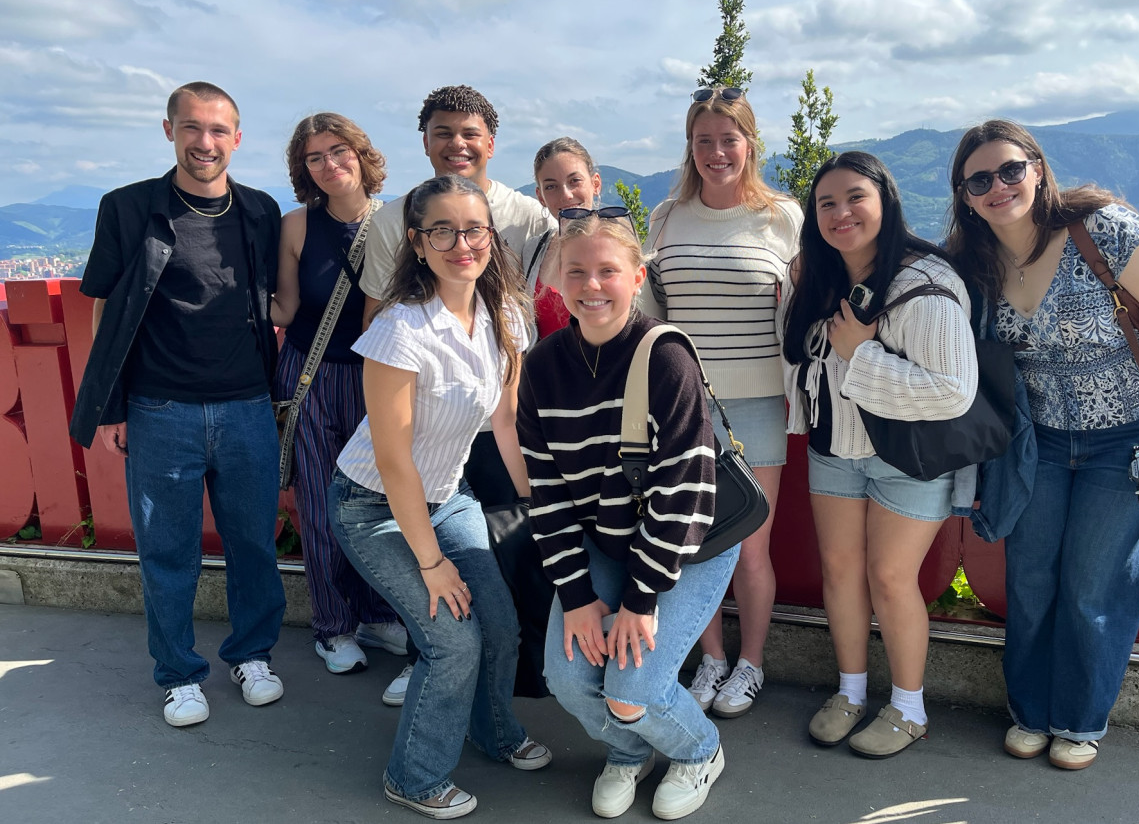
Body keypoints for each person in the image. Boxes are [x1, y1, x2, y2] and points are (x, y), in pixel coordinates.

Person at [945, 119, 1139, 771]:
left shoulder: (1103, 229)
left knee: (1093, 586)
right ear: (965, 196)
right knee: (1031, 580)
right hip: (1042, 445)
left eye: (1010, 169)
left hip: (1130, 439)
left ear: (1037, 166)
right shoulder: (974, 264)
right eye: (981, 180)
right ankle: (1031, 711)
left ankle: (1080, 722)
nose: (999, 187)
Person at [329, 175, 550, 819]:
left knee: (501, 623)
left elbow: (506, 425)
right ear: (418, 243)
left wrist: (539, 501)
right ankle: (416, 776)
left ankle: (493, 730)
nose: (462, 243)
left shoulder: (506, 315)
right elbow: (395, 462)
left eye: (474, 229)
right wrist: (431, 562)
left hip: (446, 496)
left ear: (492, 236)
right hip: (373, 506)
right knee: (453, 641)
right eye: (443, 231)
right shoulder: (400, 330)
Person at [69, 81, 286, 727]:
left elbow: (275, 297)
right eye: (192, 127)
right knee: (167, 550)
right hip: (160, 407)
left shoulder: (259, 211)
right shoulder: (130, 207)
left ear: (237, 139)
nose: (205, 142)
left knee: (254, 543)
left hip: (248, 404)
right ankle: (179, 675)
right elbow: (106, 308)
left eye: (219, 130)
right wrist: (109, 405)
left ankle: (252, 655)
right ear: (169, 131)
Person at [518, 212, 737, 820]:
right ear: (557, 284)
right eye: (577, 271)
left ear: (636, 277)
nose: (592, 285)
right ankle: (630, 748)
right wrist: (579, 594)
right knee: (566, 675)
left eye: (608, 271)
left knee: (633, 684)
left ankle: (699, 749)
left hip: (689, 544)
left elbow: (684, 489)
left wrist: (640, 602)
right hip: (605, 541)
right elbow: (549, 493)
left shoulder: (663, 357)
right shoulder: (540, 369)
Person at [779, 151, 978, 758]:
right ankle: (851, 691)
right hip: (835, 448)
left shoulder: (927, 283)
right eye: (827, 203)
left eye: (855, 198)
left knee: (891, 579)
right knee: (839, 572)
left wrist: (862, 355)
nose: (842, 213)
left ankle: (908, 708)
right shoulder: (820, 276)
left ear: (886, 202)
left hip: (909, 458)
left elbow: (953, 390)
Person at [359, 85, 553, 703]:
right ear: (425, 142)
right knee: (427, 545)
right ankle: (432, 658)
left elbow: (564, 287)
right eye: (443, 133)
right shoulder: (392, 218)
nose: (457, 144)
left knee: (509, 538)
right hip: (427, 397)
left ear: (491, 143)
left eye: (470, 134)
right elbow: (375, 312)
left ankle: (515, 673)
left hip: (492, 395)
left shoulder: (525, 216)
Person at [647, 86, 803, 718]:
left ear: (750, 144)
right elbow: (652, 311)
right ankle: (709, 656)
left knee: (751, 549)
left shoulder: (783, 218)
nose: (717, 152)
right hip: (684, 407)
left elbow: (801, 311)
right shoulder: (665, 218)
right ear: (690, 147)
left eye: (728, 139)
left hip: (761, 404)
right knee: (692, 543)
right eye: (704, 140)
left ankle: (751, 663)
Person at [269, 113, 406, 675]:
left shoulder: (396, 221)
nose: (329, 165)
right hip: (312, 376)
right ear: (304, 169)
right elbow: (284, 308)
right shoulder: (297, 226)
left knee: (381, 502)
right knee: (322, 507)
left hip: (381, 375)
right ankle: (333, 625)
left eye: (338, 151)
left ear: (361, 153)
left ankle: (376, 612)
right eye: (315, 157)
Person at [525, 136, 606, 339]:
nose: (566, 195)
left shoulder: (618, 247)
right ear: (540, 196)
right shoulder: (533, 251)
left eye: (574, 181)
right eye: (551, 186)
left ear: (595, 184)